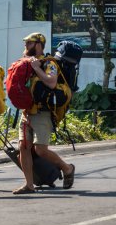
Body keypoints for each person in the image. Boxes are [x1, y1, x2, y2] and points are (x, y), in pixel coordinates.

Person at [12, 32, 75, 194]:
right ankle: (29, 185)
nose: (26, 46)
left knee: (40, 149)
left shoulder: (49, 63)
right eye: (26, 43)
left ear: (39, 45)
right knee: (23, 147)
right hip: (27, 112)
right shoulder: (27, 62)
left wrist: (36, 69)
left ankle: (67, 169)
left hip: (42, 112)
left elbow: (52, 82)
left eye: (29, 43)